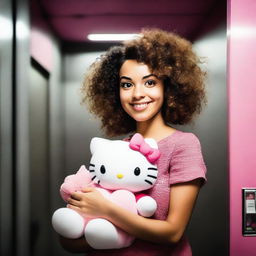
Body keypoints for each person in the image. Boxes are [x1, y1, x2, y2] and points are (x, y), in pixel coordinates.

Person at [59, 28, 207, 256]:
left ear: (168, 87)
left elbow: (172, 233)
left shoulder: (184, 145)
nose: (137, 94)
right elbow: (71, 243)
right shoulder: (115, 150)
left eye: (149, 83)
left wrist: (106, 210)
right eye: (127, 84)